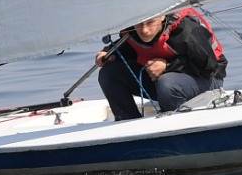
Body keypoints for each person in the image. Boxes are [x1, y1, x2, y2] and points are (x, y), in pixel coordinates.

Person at [96, 7, 228, 120]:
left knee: (167, 84)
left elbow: (210, 67)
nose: (145, 30)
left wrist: (168, 67)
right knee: (109, 74)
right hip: (165, 83)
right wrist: (107, 53)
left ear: (162, 17)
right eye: (139, 24)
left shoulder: (187, 30)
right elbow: (126, 50)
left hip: (208, 79)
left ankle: (177, 126)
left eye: (150, 22)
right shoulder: (133, 32)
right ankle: (128, 126)